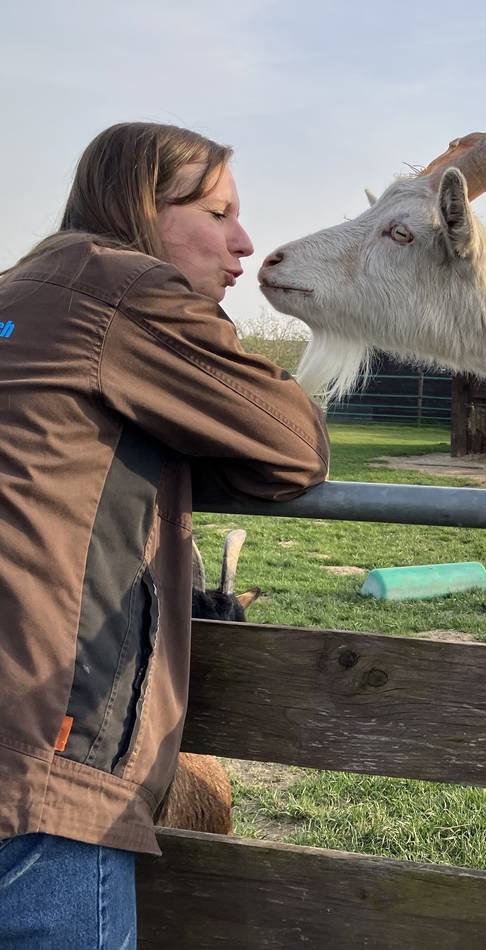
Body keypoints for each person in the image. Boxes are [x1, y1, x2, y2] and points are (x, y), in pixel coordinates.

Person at [0, 122, 330, 947]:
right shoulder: (130, 290)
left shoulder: (17, 291)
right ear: (145, 210)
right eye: (218, 212)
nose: (244, 243)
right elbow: (294, 444)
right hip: (44, 763)